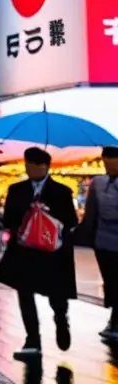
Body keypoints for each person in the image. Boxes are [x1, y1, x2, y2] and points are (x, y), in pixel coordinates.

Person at [0, 146, 78, 360]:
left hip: (52, 252)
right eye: (27, 164)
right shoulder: (16, 190)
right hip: (25, 251)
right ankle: (32, 339)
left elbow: (71, 221)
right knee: (25, 293)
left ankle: (61, 319)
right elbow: (8, 220)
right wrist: (27, 214)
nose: (28, 169)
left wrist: (49, 217)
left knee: (56, 293)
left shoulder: (61, 192)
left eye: (32, 165)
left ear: (44, 166)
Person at [79, 146, 118, 340]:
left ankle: (115, 321)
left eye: (112, 163)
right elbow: (91, 212)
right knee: (110, 281)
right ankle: (113, 317)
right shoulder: (98, 182)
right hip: (103, 241)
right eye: (106, 163)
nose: (108, 167)